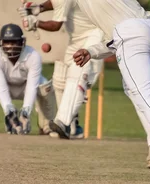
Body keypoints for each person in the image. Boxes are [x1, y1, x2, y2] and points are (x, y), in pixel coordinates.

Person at [24, 0, 150, 184]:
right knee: (135, 90)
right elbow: (114, 40)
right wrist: (91, 51)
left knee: (142, 92)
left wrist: (37, 8)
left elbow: (58, 13)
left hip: (131, 32)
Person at [19, 1, 105, 139]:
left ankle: (65, 122)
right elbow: (57, 3)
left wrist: (36, 22)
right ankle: (71, 127)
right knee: (61, 76)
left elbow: (56, 25)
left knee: (79, 72)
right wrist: (39, 8)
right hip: (76, 39)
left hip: (94, 35)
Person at [0, 23, 56, 135]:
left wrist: (25, 112)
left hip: (25, 87)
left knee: (45, 85)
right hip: (5, 86)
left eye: (13, 42)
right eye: (7, 42)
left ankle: (47, 124)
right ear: (1, 42)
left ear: (21, 42)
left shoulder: (33, 56)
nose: (10, 46)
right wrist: (9, 111)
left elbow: (32, 85)